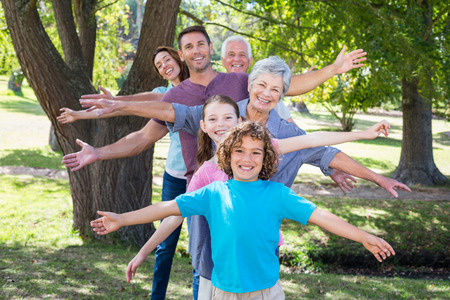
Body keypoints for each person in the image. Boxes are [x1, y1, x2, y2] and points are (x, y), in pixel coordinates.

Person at [104, 94, 391, 299]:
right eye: (239, 151)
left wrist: (362, 235)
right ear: (225, 152)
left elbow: (321, 212)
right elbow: (168, 210)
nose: (247, 158)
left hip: (265, 289)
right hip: (221, 287)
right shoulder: (211, 188)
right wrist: (123, 221)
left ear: (266, 155)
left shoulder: (277, 191)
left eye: (255, 153)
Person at [59, 46, 192, 300]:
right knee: (165, 244)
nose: (164, 65)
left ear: (179, 58)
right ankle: (157, 296)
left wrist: (117, 103)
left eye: (167, 59)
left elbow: (121, 105)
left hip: (204, 177)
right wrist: (79, 116)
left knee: (204, 244)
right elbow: (122, 115)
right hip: (176, 176)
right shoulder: (162, 94)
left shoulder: (197, 86)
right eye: (159, 65)